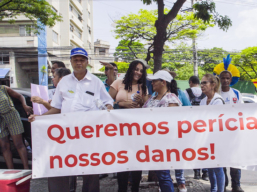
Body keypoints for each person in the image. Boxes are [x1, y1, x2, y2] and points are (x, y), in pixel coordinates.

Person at [29, 47, 114, 192]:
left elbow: (108, 102)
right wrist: (39, 118)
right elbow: (56, 108)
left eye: (82, 60)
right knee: (62, 166)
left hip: (89, 133)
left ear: (87, 62)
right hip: (67, 134)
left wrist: (108, 113)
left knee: (90, 170)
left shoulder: (96, 82)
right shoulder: (64, 82)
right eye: (75, 60)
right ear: (71, 62)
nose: (79, 63)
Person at [108, 60, 148, 192]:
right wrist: (120, 104)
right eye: (136, 69)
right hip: (119, 129)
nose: (138, 73)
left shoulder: (143, 87)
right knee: (122, 159)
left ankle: (135, 188)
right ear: (131, 69)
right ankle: (122, 189)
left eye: (141, 71)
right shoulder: (118, 82)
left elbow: (147, 108)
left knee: (137, 160)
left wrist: (142, 101)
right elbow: (106, 103)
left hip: (137, 130)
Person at [143, 70, 182, 192]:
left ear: (163, 82)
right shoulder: (152, 98)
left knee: (164, 175)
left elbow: (172, 123)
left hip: (165, 144)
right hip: (153, 143)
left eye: (155, 81)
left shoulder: (171, 99)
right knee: (161, 175)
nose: (152, 83)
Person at [219, 70, 244, 192]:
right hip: (219, 133)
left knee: (235, 159)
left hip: (234, 133)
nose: (225, 80)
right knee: (222, 159)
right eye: (223, 78)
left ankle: (236, 185)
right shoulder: (216, 94)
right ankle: (223, 183)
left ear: (231, 79)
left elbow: (242, 112)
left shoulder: (236, 93)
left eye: (227, 78)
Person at [200, 74, 225, 192]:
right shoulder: (203, 101)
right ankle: (213, 189)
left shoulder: (218, 101)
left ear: (213, 85)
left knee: (218, 167)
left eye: (205, 83)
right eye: (201, 83)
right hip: (206, 138)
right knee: (210, 166)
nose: (202, 85)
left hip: (217, 139)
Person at [0, 85, 33, 169]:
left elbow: (20, 96)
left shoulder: (3, 88)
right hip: (1, 120)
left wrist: (24, 105)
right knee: (4, 146)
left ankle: (26, 169)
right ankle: (11, 170)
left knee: (18, 144)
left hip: (12, 116)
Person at [183, 76, 208, 180]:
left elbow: (184, 107)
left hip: (191, 125)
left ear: (190, 82)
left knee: (194, 148)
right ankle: (206, 173)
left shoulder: (186, 92)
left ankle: (197, 172)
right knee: (205, 148)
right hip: (204, 123)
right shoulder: (205, 91)